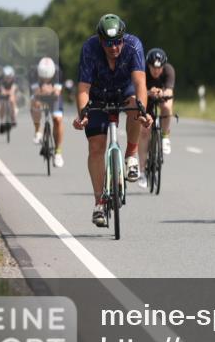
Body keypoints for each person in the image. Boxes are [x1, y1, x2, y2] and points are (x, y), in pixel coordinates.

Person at [71, 14, 152, 226]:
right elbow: (83, 88)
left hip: (125, 91)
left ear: (123, 38)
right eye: (108, 43)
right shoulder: (89, 48)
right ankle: (99, 202)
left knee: (135, 105)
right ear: (100, 40)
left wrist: (143, 111)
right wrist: (83, 115)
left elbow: (140, 83)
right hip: (98, 95)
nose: (114, 47)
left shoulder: (133, 46)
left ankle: (131, 154)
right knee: (96, 147)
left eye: (117, 42)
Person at [137, 48, 175, 188]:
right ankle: (142, 171)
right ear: (148, 65)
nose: (156, 71)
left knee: (167, 106)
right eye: (153, 68)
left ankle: (165, 137)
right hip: (146, 98)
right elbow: (137, 89)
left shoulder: (169, 70)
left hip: (161, 97)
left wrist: (161, 93)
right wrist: (148, 92)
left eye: (159, 68)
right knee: (144, 132)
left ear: (163, 66)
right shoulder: (142, 70)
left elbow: (169, 91)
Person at [29, 57, 65, 167]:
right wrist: (47, 90)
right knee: (35, 103)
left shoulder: (58, 72)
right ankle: (37, 131)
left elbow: (56, 93)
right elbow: (36, 93)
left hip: (54, 97)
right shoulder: (33, 73)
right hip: (39, 96)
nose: (45, 80)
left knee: (57, 120)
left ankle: (58, 152)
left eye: (48, 78)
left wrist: (46, 90)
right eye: (43, 79)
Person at [0, 65, 19, 132]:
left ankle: (13, 116)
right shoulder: (0, 79)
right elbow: (1, 88)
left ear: (12, 76)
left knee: (12, 99)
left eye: (9, 77)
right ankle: (1, 121)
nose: (8, 79)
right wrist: (3, 92)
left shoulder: (15, 79)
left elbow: (14, 88)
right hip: (2, 92)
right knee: (2, 105)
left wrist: (11, 92)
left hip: (12, 91)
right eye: (6, 77)